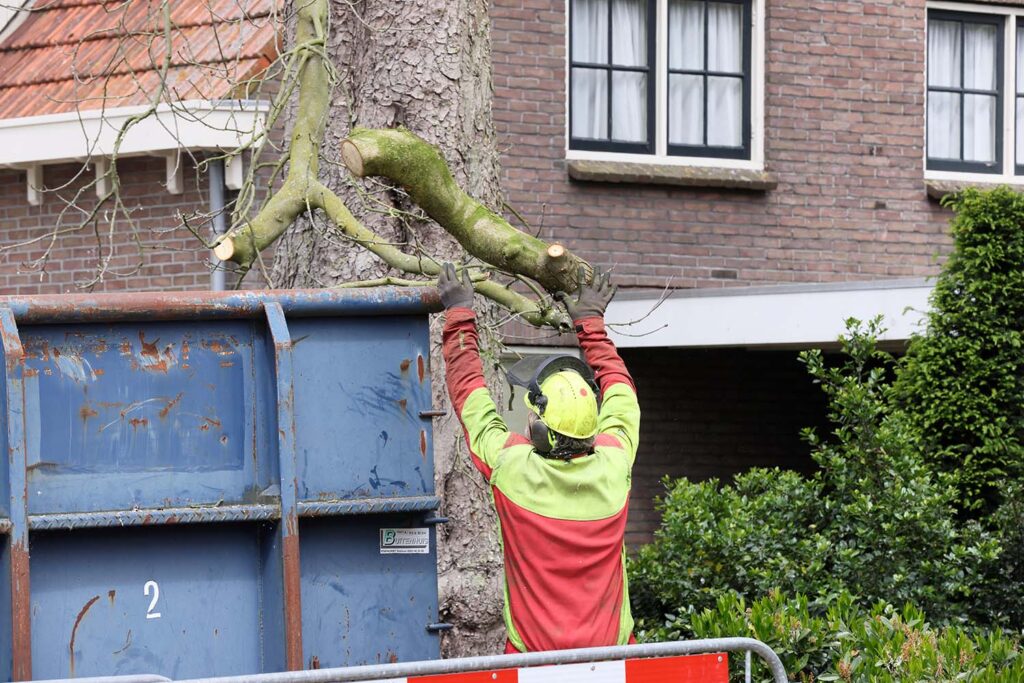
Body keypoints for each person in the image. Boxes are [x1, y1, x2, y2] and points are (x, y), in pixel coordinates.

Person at [438, 262, 640, 653]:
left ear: (540, 431)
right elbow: (620, 388)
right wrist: (590, 323)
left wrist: (459, 314)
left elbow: (469, 395)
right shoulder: (616, 464)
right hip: (615, 658)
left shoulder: (512, 467)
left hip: (535, 664)